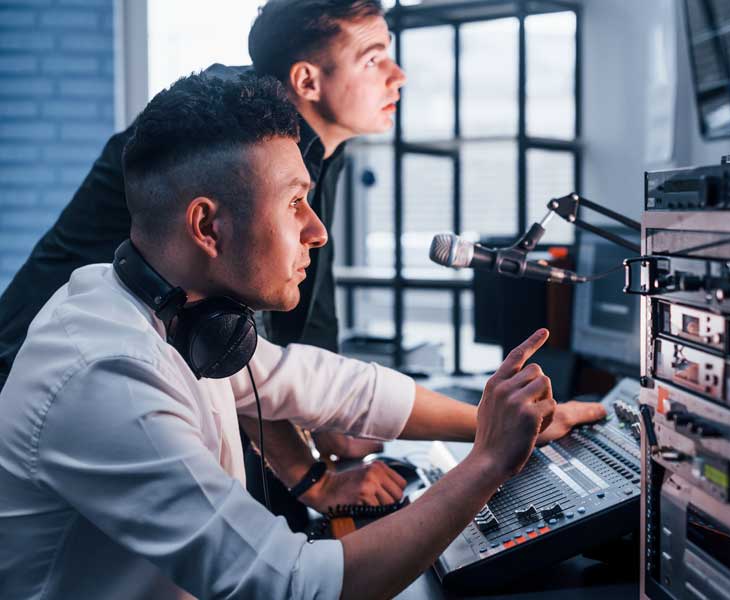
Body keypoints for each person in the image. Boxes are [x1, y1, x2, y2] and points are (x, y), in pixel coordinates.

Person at [0, 73, 604, 600]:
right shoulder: (107, 374)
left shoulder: (170, 312)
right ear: (207, 225)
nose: (316, 230)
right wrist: (490, 463)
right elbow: (291, 586)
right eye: (294, 203)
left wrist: (490, 423)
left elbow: (328, 387)